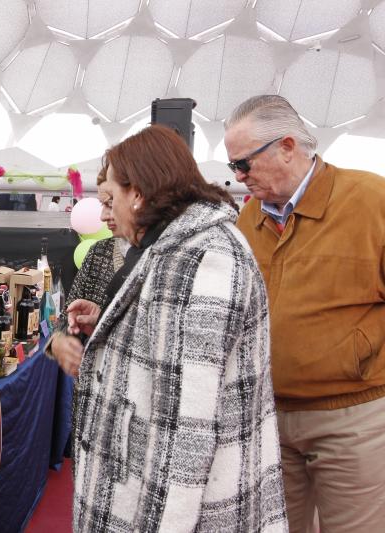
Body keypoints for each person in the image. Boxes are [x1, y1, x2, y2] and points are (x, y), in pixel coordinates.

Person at [68, 125, 287, 532]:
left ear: (138, 193)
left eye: (110, 199)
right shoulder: (180, 247)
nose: (103, 214)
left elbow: (183, 436)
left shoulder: (197, 261)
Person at [225, 94, 385, 532]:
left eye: (244, 164)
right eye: (234, 167)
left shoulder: (376, 202)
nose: (239, 176)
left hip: (359, 418)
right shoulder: (249, 220)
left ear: (287, 146)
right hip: (270, 418)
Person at [46, 164, 129, 376]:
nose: (103, 215)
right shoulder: (98, 252)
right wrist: (59, 342)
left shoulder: (159, 257)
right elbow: (68, 315)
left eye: (111, 204)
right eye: (103, 204)